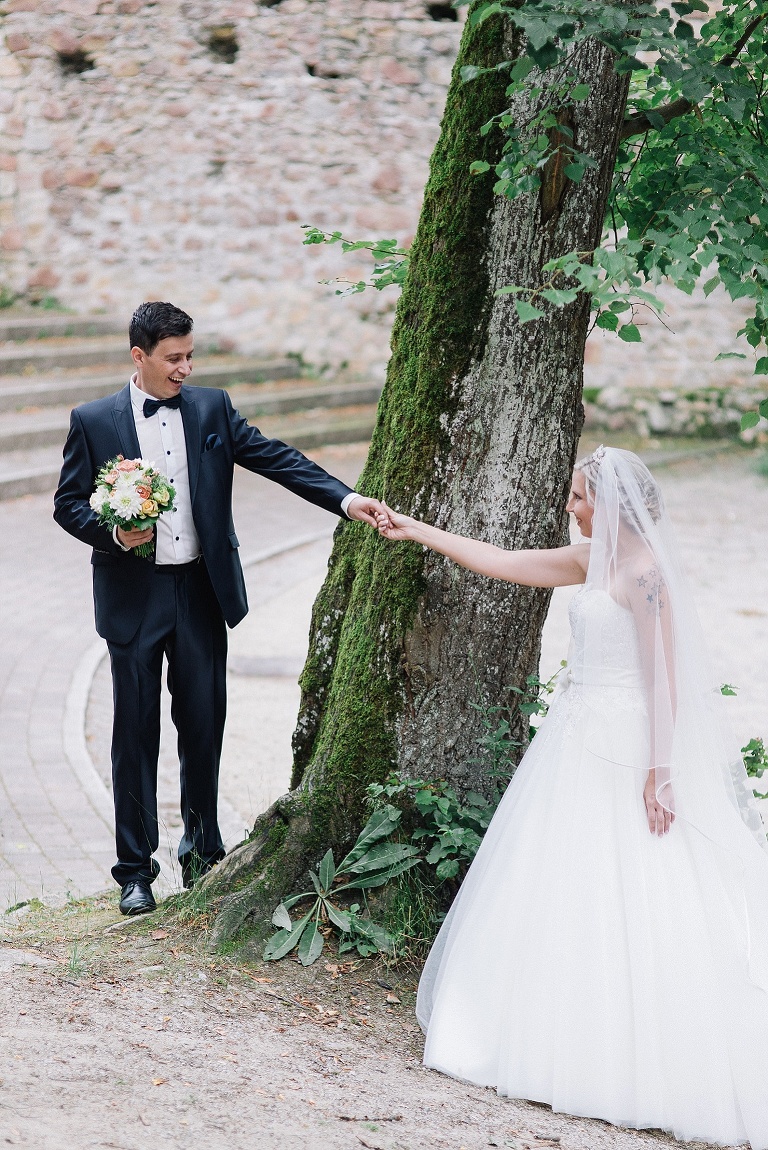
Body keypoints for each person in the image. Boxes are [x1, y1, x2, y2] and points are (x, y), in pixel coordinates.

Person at [375, 445, 768, 1149]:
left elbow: (664, 682)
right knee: (559, 881)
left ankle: (632, 1057)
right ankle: (540, 1028)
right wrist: (418, 529)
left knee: (634, 885)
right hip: (574, 737)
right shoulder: (592, 560)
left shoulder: (646, 575)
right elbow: (502, 561)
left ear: (612, 504)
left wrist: (661, 772)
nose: (572, 507)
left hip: (625, 744)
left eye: (580, 498)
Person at [54, 301, 386, 916]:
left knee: (204, 725)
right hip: (134, 596)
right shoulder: (93, 419)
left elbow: (277, 458)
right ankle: (135, 870)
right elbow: (68, 504)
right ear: (140, 356)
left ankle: (202, 851)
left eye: (189, 356)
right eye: (172, 358)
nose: (184, 368)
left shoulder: (212, 408)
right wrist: (113, 531)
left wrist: (346, 499)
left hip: (201, 592)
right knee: (134, 733)